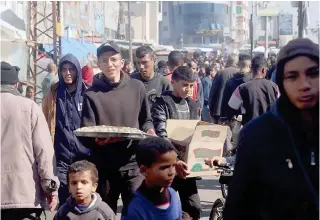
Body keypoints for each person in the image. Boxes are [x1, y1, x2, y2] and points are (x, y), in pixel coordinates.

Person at [223, 38, 319, 219]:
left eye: (313, 73)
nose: (304, 84)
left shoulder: (243, 88)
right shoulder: (256, 136)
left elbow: (230, 108)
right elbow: (238, 208)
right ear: (282, 81)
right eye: (292, 76)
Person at [80, 42, 156, 215]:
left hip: (133, 164)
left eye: (114, 59)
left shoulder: (137, 87)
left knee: (135, 213)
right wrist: (97, 140)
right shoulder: (91, 94)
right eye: (104, 61)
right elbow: (86, 131)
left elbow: (146, 120)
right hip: (105, 166)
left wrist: (150, 131)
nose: (110, 64)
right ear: (98, 65)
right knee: (105, 213)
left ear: (122, 63)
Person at [1, 61, 59, 219]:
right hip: (24, 195)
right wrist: (50, 187)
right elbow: (44, 153)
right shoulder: (30, 107)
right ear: (16, 84)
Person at [152, 66, 202, 219]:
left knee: (194, 207)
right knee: (165, 208)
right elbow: (162, 136)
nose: (188, 89)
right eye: (184, 85)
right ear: (173, 82)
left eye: (191, 86)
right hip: (168, 165)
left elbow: (197, 134)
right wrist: (176, 160)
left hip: (188, 168)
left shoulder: (193, 105)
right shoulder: (162, 103)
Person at [43, 53, 90, 206]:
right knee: (64, 199)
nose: (68, 73)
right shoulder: (53, 94)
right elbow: (44, 122)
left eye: (71, 69)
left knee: (83, 199)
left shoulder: (87, 93)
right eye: (64, 69)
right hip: (61, 157)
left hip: (84, 156)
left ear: (77, 70)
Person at [124, 137, 182, 220]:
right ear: (144, 170)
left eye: (174, 165)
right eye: (164, 167)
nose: (172, 172)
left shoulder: (173, 195)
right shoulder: (135, 208)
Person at [228, 56, 279, 125]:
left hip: (249, 130)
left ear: (251, 68)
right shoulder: (275, 87)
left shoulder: (242, 88)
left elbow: (231, 107)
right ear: (264, 70)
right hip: (270, 130)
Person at [220, 54, 252, 122]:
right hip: (250, 120)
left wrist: (223, 117)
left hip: (234, 119)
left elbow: (225, 101)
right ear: (250, 66)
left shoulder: (230, 82)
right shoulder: (253, 82)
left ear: (238, 64)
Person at [209, 54, 239, 124]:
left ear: (228, 61)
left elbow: (213, 92)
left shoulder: (221, 72)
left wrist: (211, 109)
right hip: (235, 112)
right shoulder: (240, 73)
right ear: (237, 62)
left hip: (220, 111)